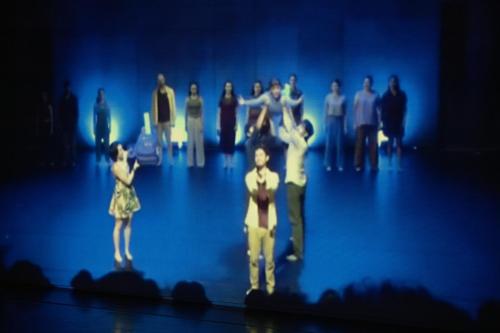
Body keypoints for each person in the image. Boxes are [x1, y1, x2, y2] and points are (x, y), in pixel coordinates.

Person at [279, 107, 314, 262]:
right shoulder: (297, 142)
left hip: (294, 183)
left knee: (295, 218)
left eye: (302, 127)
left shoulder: (301, 143)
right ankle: (297, 238)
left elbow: (291, 127)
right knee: (300, 215)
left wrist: (286, 109)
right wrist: (285, 112)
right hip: (300, 182)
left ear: (305, 133)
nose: (299, 127)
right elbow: (287, 133)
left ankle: (298, 252)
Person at [244, 145, 279, 295]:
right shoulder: (249, 176)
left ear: (267, 158)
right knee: (253, 259)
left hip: (268, 223)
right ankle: (255, 288)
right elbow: (253, 192)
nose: (258, 157)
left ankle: (270, 288)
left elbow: (271, 190)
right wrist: (259, 182)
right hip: (253, 222)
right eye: (256, 155)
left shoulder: (274, 176)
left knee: (269, 260)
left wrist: (264, 180)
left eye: (261, 155)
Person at [239, 78, 303, 145]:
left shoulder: (283, 97)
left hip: (281, 122)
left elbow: (292, 103)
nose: (276, 91)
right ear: (271, 90)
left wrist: (298, 101)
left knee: (282, 138)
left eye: (278, 88)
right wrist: (244, 102)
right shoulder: (266, 96)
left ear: (280, 89)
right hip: (270, 121)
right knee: (271, 137)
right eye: (274, 89)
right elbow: (255, 102)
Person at [108, 142, 141, 266]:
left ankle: (127, 249)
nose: (123, 150)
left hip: (129, 194)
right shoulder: (116, 166)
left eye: (122, 148)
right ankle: (117, 251)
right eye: (120, 149)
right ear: (116, 154)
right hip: (121, 196)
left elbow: (126, 171)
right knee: (118, 225)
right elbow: (127, 180)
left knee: (128, 224)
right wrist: (134, 169)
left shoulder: (123, 162)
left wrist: (127, 160)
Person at [353, 75, 381, 172]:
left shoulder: (376, 95)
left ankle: (374, 165)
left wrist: (380, 122)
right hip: (361, 123)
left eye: (368, 82)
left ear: (371, 84)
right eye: (365, 82)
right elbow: (355, 109)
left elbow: (379, 110)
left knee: (373, 145)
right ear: (363, 83)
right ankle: (358, 165)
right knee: (360, 144)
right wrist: (355, 122)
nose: (366, 84)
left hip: (372, 123)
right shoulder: (358, 94)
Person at [381, 75, 407, 171]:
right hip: (388, 122)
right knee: (390, 143)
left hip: (398, 122)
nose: (393, 83)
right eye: (391, 81)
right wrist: (382, 123)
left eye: (394, 81)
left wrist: (404, 122)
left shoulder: (402, 95)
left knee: (399, 144)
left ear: (397, 82)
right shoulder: (385, 95)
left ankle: (399, 165)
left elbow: (404, 110)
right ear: (389, 83)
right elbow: (382, 110)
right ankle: (389, 164)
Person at [151, 73, 176, 166]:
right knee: (159, 142)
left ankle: (170, 159)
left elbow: (173, 106)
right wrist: (154, 121)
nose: (160, 81)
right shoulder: (154, 93)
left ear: (164, 80)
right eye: (159, 80)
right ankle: (160, 159)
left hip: (167, 120)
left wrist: (173, 120)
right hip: (159, 122)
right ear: (157, 81)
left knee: (169, 141)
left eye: (162, 79)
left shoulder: (170, 91)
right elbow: (153, 108)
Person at [324, 79, 347, 171]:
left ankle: (340, 164)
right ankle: (328, 163)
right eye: (333, 86)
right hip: (330, 120)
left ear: (339, 87)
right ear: (331, 87)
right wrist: (324, 123)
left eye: (336, 86)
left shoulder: (343, 98)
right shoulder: (328, 97)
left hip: (339, 120)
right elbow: (325, 111)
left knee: (339, 144)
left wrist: (345, 126)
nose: (335, 87)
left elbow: (345, 114)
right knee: (329, 144)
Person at [216, 81, 239, 168]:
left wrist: (236, 124)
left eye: (230, 86)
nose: (228, 88)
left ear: (231, 88)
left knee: (231, 142)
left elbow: (236, 113)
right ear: (225, 88)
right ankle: (225, 162)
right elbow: (219, 113)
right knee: (224, 142)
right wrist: (218, 125)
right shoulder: (221, 99)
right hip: (223, 123)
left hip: (232, 123)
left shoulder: (234, 99)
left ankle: (232, 162)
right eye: (227, 86)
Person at [246, 106, 274, 170]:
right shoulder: (250, 143)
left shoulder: (265, 140)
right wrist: (264, 110)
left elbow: (272, 136)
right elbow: (257, 127)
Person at [184, 82, 205, 168]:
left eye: (195, 88)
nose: (193, 90)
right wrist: (185, 124)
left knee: (199, 143)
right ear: (190, 89)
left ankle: (200, 162)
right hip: (190, 120)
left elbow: (202, 112)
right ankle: (190, 162)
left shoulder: (200, 99)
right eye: (192, 88)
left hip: (198, 120)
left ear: (197, 89)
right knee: (190, 142)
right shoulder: (187, 99)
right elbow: (185, 112)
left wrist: (202, 124)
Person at [59, 80, 79, 167]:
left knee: (72, 144)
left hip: (72, 125)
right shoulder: (62, 98)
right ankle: (65, 161)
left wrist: (74, 124)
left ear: (70, 88)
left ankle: (73, 161)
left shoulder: (73, 98)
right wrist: (60, 123)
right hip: (64, 125)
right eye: (66, 87)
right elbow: (60, 112)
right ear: (64, 88)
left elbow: (76, 112)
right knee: (65, 144)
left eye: (68, 87)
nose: (67, 88)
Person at [36, 91, 55, 166]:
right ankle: (43, 160)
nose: (44, 97)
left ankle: (50, 160)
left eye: (45, 96)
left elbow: (52, 118)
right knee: (42, 144)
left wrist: (51, 128)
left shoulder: (49, 106)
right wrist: (37, 128)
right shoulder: (40, 106)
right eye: (43, 96)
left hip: (47, 126)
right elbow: (37, 118)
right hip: (42, 127)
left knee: (48, 144)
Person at [94, 88, 111, 163]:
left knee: (107, 144)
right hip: (98, 126)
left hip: (105, 126)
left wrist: (110, 126)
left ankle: (107, 159)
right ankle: (98, 159)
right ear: (98, 94)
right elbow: (94, 117)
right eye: (100, 94)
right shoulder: (96, 104)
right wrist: (94, 127)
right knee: (98, 144)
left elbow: (109, 116)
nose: (101, 95)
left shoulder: (107, 104)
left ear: (104, 94)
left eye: (103, 93)